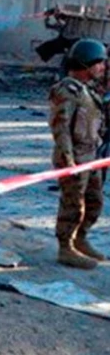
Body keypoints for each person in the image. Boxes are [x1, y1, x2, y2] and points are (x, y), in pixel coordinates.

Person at [48, 39, 108, 269]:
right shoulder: (67, 90)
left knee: (94, 202)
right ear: (85, 63)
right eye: (99, 63)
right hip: (75, 156)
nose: (102, 67)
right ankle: (66, 248)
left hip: (91, 156)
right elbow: (61, 127)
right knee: (73, 205)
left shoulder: (87, 90)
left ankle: (80, 239)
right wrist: (68, 160)